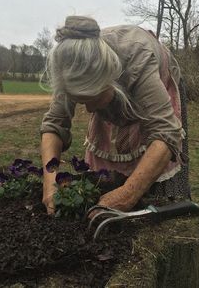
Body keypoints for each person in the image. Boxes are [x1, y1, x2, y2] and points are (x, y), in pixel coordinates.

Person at [40, 15, 190, 215]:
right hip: (116, 85)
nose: (91, 111)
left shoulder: (138, 58)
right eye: (81, 100)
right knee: (106, 183)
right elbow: (54, 124)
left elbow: (166, 134)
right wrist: (50, 182)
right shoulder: (70, 67)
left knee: (160, 198)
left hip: (153, 85)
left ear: (109, 80)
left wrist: (125, 197)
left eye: (92, 98)